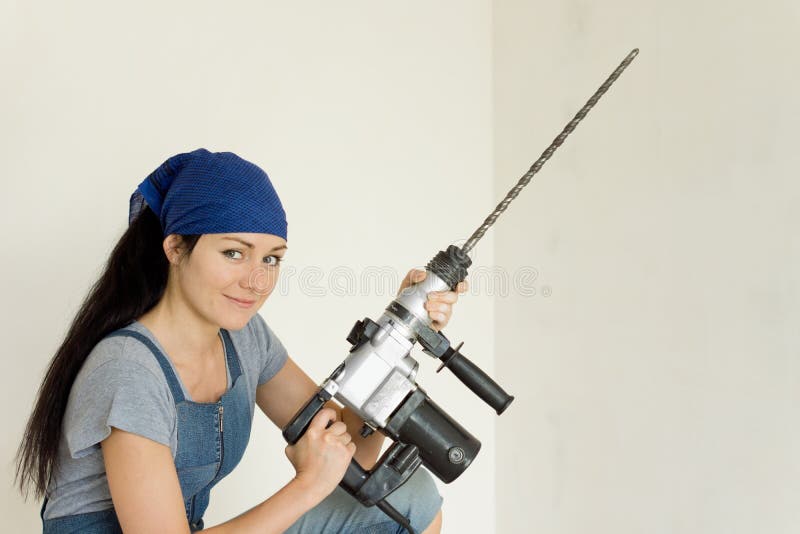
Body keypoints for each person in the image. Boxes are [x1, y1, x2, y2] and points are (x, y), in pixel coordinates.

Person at [14, 148, 468, 533]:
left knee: (413, 499)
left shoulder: (244, 338)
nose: (256, 280)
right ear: (175, 249)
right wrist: (307, 485)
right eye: (234, 252)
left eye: (271, 259)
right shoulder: (128, 370)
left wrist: (395, 337)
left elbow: (350, 452)